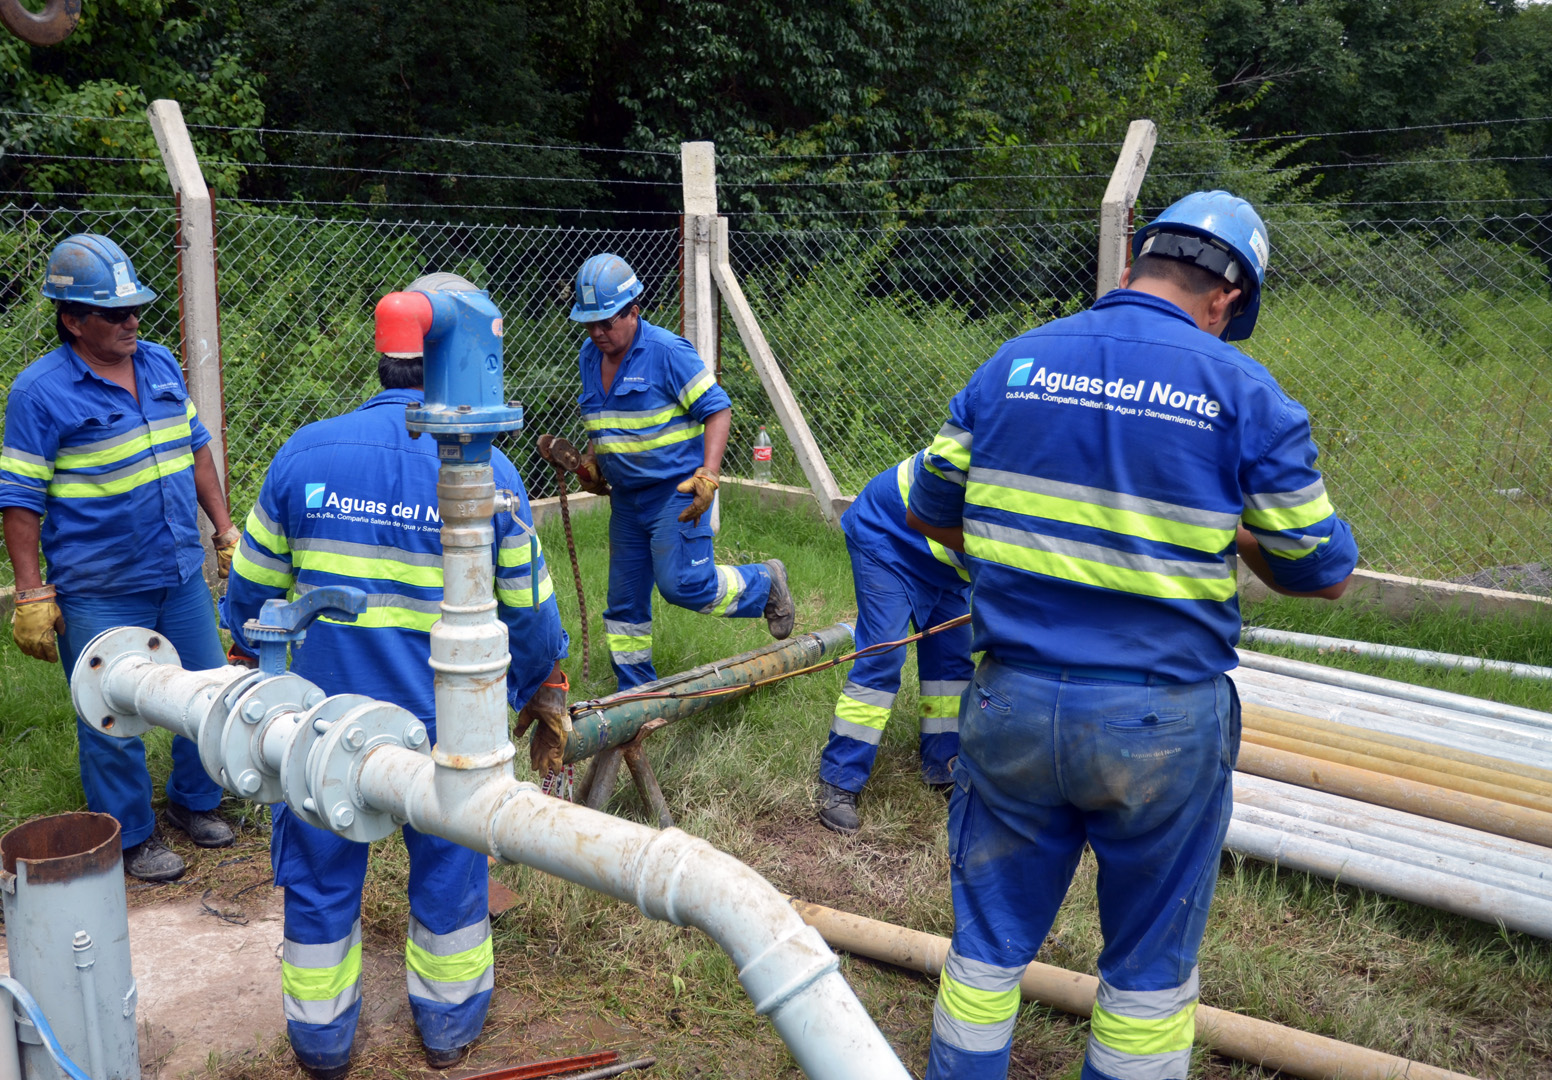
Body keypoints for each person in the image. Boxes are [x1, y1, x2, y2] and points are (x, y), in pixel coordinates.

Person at [905, 191, 1357, 1080]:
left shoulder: (1014, 362)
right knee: (1148, 975)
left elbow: (932, 510)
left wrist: (1030, 561)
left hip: (1011, 701)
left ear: (1131, 267)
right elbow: (1323, 568)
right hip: (1161, 723)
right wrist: (1218, 531)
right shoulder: (1243, 391)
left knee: (986, 951)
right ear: (1228, 300)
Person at [222, 274, 569, 1079]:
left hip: (318, 730)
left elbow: (246, 605)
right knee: (450, 878)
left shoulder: (303, 455)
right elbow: (535, 621)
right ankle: (447, 1032)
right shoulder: (494, 474)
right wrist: (531, 690)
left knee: (315, 881)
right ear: (462, 362)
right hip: (448, 733)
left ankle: (321, 1045)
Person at [0, 232, 241, 883]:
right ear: (74, 321)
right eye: (116, 313)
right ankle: (130, 837)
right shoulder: (40, 393)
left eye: (137, 309)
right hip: (99, 586)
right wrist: (30, 593)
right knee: (111, 714)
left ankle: (197, 803)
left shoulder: (160, 364)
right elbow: (19, 497)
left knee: (204, 692)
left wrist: (223, 531)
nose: (133, 321)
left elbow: (197, 451)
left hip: (179, 572)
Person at [565, 252, 794, 691]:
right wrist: (595, 462)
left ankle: (764, 583)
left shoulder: (668, 352)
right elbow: (602, 417)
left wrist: (708, 476)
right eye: (588, 324)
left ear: (634, 311)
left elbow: (718, 409)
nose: (596, 333)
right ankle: (636, 695)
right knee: (624, 603)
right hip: (627, 499)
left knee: (683, 584)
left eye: (606, 322)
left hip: (675, 492)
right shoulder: (589, 356)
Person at [817, 451, 972, 834]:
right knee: (883, 656)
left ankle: (944, 764)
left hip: (946, 563)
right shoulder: (1000, 439)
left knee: (953, 661)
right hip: (890, 535)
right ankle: (839, 778)